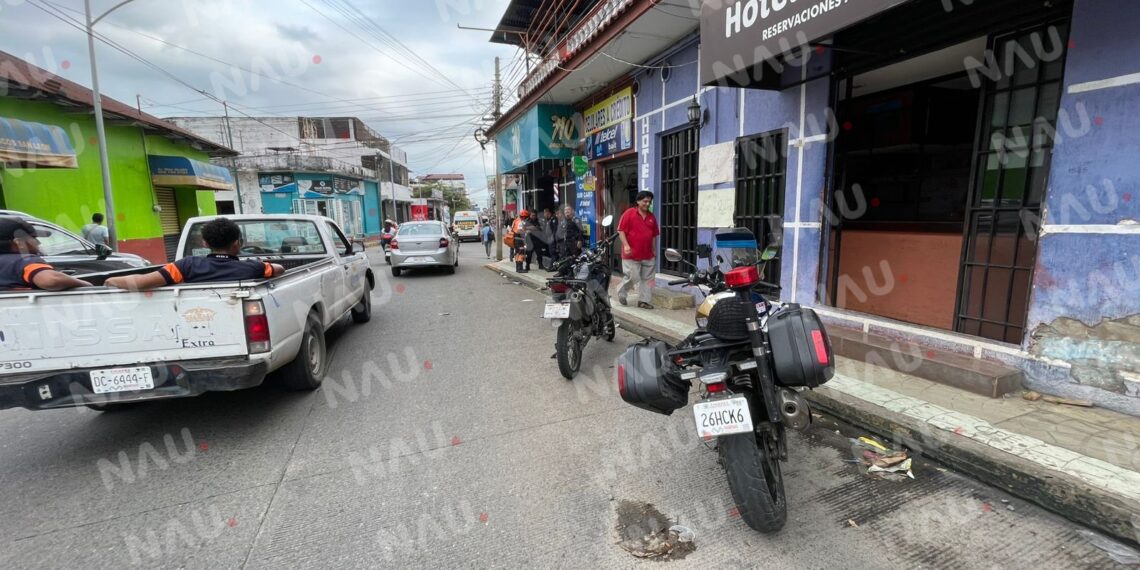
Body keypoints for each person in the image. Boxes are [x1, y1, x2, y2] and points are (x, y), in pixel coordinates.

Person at [105, 217, 285, 291]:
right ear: (237, 244)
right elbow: (278, 269)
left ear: (205, 243)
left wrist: (110, 281)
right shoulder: (253, 268)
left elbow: (141, 282)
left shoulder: (186, 265)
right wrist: (263, 265)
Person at [0, 217, 92, 290]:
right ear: (20, 243)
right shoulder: (25, 261)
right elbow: (51, 281)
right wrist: (86, 285)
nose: (38, 242)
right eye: (34, 238)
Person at [616, 191, 659, 309]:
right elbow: (621, 231)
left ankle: (643, 301)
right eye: (645, 201)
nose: (647, 203)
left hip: (648, 254)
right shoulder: (629, 213)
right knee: (633, 277)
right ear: (638, 201)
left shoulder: (651, 217)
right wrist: (626, 245)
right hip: (631, 254)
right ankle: (621, 291)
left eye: (649, 201)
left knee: (649, 279)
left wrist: (654, 249)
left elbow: (654, 235)